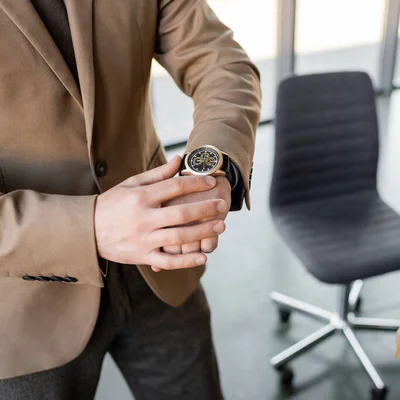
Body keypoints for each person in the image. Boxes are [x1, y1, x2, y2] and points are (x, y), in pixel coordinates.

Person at [0, 1, 261, 399]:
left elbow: (222, 63)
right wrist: (90, 227)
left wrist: (210, 167)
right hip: (22, 305)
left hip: (160, 264)